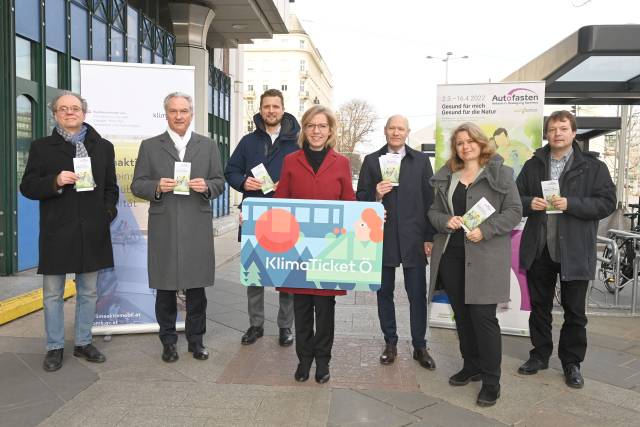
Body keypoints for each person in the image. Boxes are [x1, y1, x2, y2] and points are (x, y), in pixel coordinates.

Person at [516, 110, 616, 388]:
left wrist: (571, 204)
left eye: (563, 128)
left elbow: (607, 202)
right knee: (539, 307)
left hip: (575, 250)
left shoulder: (594, 167)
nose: (557, 133)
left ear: (574, 133)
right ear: (546, 134)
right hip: (540, 248)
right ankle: (539, 355)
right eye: (552, 129)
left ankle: (572, 363)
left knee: (575, 312)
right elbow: (515, 196)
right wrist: (529, 202)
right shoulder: (533, 164)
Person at [20, 90, 118, 372]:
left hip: (93, 230)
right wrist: (55, 181)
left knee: (88, 292)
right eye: (63, 109)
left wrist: (107, 213)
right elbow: (27, 186)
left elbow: (111, 187)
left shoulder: (103, 146)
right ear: (55, 114)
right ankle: (54, 347)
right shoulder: (41, 147)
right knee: (52, 294)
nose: (69, 112)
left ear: (84, 113)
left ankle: (84, 342)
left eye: (75, 108)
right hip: (57, 231)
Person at [428, 122, 522, 407]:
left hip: (485, 256)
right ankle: (472, 366)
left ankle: (492, 382)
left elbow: (515, 211)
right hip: (452, 256)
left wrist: (488, 229)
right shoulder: (447, 176)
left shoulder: (500, 174)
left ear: (481, 143)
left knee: (484, 319)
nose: (465, 146)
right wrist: (446, 220)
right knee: (463, 316)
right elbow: (432, 212)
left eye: (470, 141)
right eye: (459, 142)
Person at [131, 92, 224, 362]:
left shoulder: (207, 146)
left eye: (184, 111)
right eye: (173, 111)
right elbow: (138, 185)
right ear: (166, 114)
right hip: (165, 224)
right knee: (165, 287)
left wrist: (207, 186)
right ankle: (168, 341)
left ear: (191, 113)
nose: (179, 116)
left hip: (196, 222)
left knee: (197, 289)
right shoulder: (150, 146)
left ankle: (196, 341)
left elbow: (219, 181)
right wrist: (156, 186)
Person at [274, 105, 356, 384]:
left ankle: (323, 361)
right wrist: (253, 215)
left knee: (325, 310)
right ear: (304, 130)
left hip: (329, 252)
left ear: (330, 131)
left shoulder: (342, 163)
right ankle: (304, 360)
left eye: (322, 126)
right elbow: (280, 200)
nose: (316, 131)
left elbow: (350, 204)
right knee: (301, 308)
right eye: (311, 125)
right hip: (298, 251)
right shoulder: (291, 161)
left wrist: (372, 215)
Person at [356, 115, 437, 370]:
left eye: (400, 128)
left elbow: (430, 200)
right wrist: (376, 196)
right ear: (385, 131)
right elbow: (361, 199)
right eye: (392, 128)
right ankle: (390, 342)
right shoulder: (371, 161)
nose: (396, 132)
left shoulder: (422, 161)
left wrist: (429, 236)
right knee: (384, 293)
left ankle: (420, 345)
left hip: (414, 237)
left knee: (416, 295)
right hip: (383, 237)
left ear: (407, 132)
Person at [225, 89, 300, 347]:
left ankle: (285, 327)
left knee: (287, 275)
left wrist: (288, 185)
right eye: (266, 106)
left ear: (283, 109)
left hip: (285, 216)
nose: (271, 111)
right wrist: (244, 181)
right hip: (255, 215)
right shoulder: (248, 141)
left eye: (275, 106)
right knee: (254, 274)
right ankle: (255, 325)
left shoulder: (296, 142)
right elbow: (231, 171)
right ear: (260, 109)